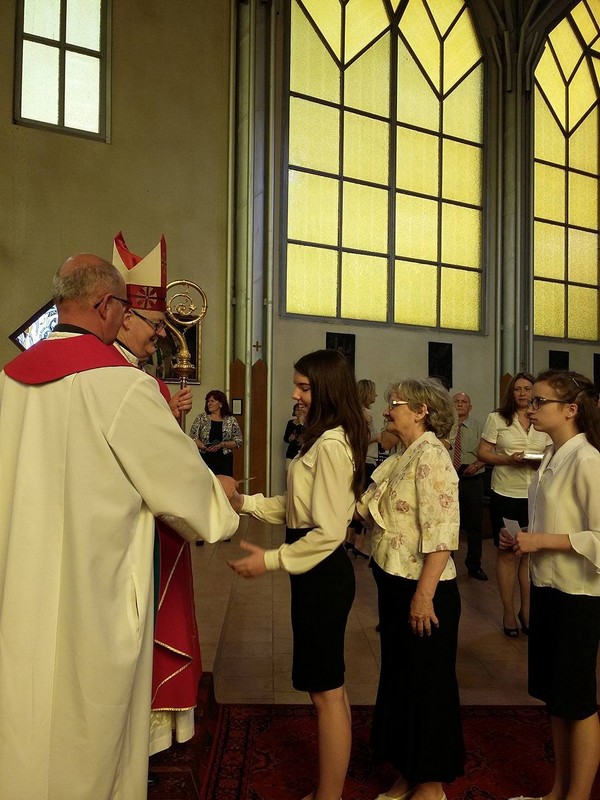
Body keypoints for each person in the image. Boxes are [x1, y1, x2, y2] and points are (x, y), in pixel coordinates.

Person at [0, 254, 239, 800]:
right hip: (95, 593)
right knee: (90, 729)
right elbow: (183, 490)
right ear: (106, 305)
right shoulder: (121, 385)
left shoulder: (8, 382)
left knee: (24, 715)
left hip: (20, 584)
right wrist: (221, 500)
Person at [227, 349, 367, 800]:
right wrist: (244, 503)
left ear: (326, 389)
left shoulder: (330, 446)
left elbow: (328, 532)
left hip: (323, 575)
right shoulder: (321, 438)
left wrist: (270, 560)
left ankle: (329, 796)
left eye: (304, 387)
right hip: (314, 575)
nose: (295, 394)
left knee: (327, 693)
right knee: (328, 690)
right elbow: (296, 510)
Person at [112, 231, 200, 758]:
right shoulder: (119, 379)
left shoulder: (139, 375)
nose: (162, 333)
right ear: (123, 318)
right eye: (154, 323)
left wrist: (170, 420)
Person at [357, 377, 464, 800]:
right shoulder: (405, 453)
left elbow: (442, 534)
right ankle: (408, 769)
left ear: (421, 411)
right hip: (396, 584)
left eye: (395, 403)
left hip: (424, 589)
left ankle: (431, 784)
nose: (387, 410)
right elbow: (369, 509)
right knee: (402, 681)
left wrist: (423, 595)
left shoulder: (432, 456)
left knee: (427, 687)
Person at [502, 370, 600, 800]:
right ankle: (558, 791)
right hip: (547, 587)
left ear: (571, 409)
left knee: (577, 702)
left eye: (540, 401)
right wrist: (523, 537)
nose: (531, 407)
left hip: (578, 595)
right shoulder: (550, 455)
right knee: (557, 699)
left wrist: (540, 541)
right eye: (531, 400)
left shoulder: (588, 459)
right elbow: (555, 520)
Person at [477, 373, 550, 637]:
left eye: (527, 389)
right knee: (508, 553)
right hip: (506, 492)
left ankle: (526, 611)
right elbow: (483, 452)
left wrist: (538, 460)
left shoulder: (543, 418)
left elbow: (552, 452)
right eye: (517, 389)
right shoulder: (498, 418)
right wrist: (509, 459)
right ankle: (508, 612)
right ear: (512, 392)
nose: (522, 393)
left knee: (529, 554)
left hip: (535, 494)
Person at [452, 391, 487, 580]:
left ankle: (474, 565)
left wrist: (477, 465)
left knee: (474, 524)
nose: (460, 404)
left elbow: (489, 450)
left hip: (472, 478)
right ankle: (446, 564)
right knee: (449, 523)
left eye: (464, 401)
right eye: (456, 401)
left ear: (470, 407)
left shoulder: (479, 427)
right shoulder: (444, 426)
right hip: (448, 479)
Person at [345, 378, 380, 559]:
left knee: (357, 499)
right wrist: (378, 437)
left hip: (362, 460)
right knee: (364, 502)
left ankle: (350, 540)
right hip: (365, 460)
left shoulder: (356, 412)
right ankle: (359, 543)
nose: (376, 395)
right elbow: (360, 440)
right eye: (373, 392)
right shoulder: (364, 414)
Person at [189, 390, 243, 477]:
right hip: (205, 458)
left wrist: (223, 444)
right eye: (208, 401)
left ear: (221, 404)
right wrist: (204, 447)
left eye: (212, 401)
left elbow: (238, 441)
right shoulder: (201, 418)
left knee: (224, 483)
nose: (209, 404)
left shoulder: (231, 420)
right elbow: (192, 437)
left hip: (224, 460)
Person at [283, 401, 305, 469]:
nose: (299, 412)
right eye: (297, 410)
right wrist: (290, 438)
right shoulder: (290, 422)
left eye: (301, 410)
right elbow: (285, 438)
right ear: (294, 412)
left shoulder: (307, 423)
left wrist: (301, 423)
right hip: (291, 451)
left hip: (302, 452)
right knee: (288, 471)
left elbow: (306, 436)